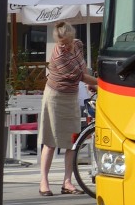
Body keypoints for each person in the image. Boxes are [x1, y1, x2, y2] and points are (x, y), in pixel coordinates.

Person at [38, 21, 96, 196]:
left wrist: (89, 86)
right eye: (61, 42)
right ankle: (44, 182)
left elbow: (82, 66)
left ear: (72, 36)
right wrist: (101, 84)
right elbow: (80, 76)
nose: (65, 45)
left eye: (68, 41)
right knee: (50, 140)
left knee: (72, 140)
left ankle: (67, 182)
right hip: (55, 96)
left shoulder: (77, 44)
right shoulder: (58, 56)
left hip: (71, 96)